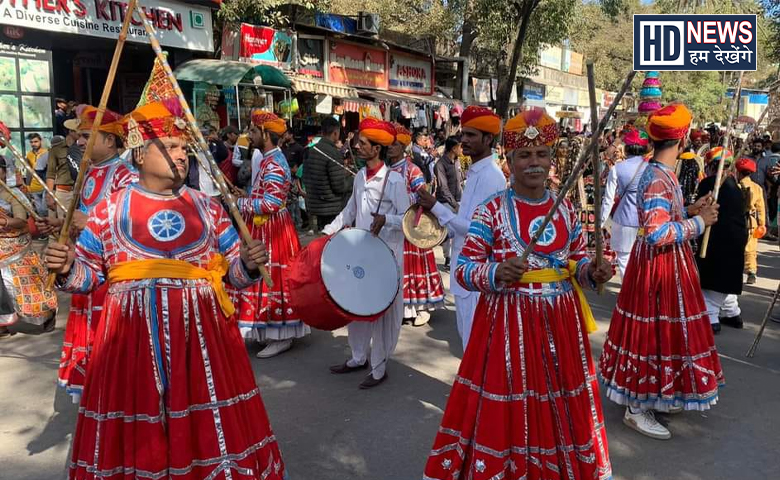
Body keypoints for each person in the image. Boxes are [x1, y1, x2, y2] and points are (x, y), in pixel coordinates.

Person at [43, 100, 286, 480]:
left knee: (205, 422)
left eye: (184, 147)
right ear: (139, 154)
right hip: (130, 342)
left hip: (203, 344)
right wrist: (66, 268)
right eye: (170, 146)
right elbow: (88, 278)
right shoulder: (110, 209)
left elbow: (235, 277)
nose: (181, 154)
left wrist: (251, 264)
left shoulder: (208, 207)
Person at [422, 109, 613, 480]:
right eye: (524, 155)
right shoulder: (491, 211)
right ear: (509, 161)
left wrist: (594, 271)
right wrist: (496, 271)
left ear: (552, 159)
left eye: (542, 154)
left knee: (561, 405)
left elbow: (577, 263)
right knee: (510, 406)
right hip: (508, 327)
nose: (534, 162)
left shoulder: (566, 210)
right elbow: (463, 270)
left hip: (561, 327)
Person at [599, 103, 724, 441]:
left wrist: (688, 209)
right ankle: (636, 408)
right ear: (682, 139)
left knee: (662, 335)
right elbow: (656, 232)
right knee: (652, 333)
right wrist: (699, 222)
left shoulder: (660, 173)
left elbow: (665, 216)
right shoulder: (656, 177)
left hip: (666, 265)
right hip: (658, 266)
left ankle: (657, 394)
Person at [40, 105, 139, 400]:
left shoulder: (126, 175)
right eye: (80, 136)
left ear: (110, 140)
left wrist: (90, 222)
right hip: (87, 271)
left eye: (86, 136)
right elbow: (83, 215)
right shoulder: (91, 172)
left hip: (111, 277)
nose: (79, 142)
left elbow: (131, 222)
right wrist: (62, 224)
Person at [325, 118, 410, 389]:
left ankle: (379, 366)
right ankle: (358, 357)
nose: (357, 146)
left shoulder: (394, 181)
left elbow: (408, 219)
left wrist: (387, 219)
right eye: (358, 141)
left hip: (386, 258)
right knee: (356, 306)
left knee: (382, 314)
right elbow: (351, 210)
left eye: (362, 143)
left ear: (376, 149)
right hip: (360, 253)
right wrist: (329, 232)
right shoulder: (360, 176)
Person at [418, 106, 507, 350]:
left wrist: (436, 207)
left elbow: (476, 231)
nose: (464, 141)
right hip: (465, 268)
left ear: (488, 139)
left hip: (477, 272)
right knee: (468, 338)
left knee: (475, 344)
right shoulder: (477, 170)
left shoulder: (491, 176)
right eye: (463, 135)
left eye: (471, 136)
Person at [232, 111, 308, 358]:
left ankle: (281, 334)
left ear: (265, 134)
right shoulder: (267, 159)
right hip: (263, 226)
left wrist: (239, 205)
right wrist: (247, 198)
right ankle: (265, 329)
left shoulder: (274, 162)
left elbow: (272, 203)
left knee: (274, 275)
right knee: (260, 275)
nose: (249, 135)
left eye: (253, 131)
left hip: (273, 227)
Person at [389, 124, 444, 327]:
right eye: (389, 144)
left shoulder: (413, 170)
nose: (390, 148)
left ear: (403, 146)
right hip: (392, 226)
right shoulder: (387, 171)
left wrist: (402, 199)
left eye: (395, 144)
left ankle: (420, 307)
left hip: (411, 224)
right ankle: (403, 308)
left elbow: (423, 195)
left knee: (415, 267)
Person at [0, 157, 57, 339]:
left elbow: (21, 219)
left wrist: (4, 221)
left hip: (14, 241)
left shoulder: (13, 193)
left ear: (3, 171)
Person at [696, 147, 749, 333]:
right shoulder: (735, 185)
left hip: (717, 241)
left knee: (711, 285)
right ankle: (731, 313)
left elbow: (700, 209)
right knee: (725, 280)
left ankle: (711, 319)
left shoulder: (710, 184)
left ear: (711, 166)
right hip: (736, 239)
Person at [601, 127, 650, 277]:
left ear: (626, 148)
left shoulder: (617, 168)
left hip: (623, 220)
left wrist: (600, 222)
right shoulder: (652, 168)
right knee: (644, 261)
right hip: (647, 220)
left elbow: (608, 199)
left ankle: (627, 295)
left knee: (624, 260)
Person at [303, 116, 349, 230]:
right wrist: (352, 180)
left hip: (314, 206)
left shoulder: (311, 150)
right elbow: (339, 186)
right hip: (331, 209)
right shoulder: (333, 153)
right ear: (335, 133)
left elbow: (306, 178)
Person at [434, 136, 463, 270]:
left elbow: (460, 181)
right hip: (445, 203)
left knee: (459, 231)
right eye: (460, 147)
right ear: (453, 148)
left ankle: (456, 257)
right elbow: (443, 188)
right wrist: (454, 204)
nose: (461, 149)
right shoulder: (440, 164)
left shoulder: (457, 162)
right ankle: (448, 258)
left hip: (458, 200)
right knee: (447, 231)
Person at [736, 157, 765, 285]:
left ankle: (735, 271)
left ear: (738, 172)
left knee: (736, 247)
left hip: (737, 221)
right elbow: (761, 208)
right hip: (752, 223)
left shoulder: (734, 186)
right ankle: (751, 273)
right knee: (750, 249)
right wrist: (762, 224)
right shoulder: (757, 188)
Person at [24, 133, 49, 218]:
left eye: (35, 141)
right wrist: (27, 185)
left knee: (45, 210)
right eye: (31, 142)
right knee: (39, 212)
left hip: (45, 186)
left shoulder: (46, 153)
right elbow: (28, 171)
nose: (33, 144)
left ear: (40, 141)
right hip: (33, 187)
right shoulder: (29, 154)